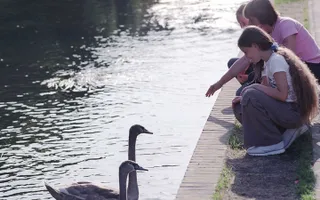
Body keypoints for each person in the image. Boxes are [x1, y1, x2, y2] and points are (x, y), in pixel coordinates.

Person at [206, 0, 320, 142]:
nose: (250, 25)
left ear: (262, 17)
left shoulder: (286, 25)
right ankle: (272, 124)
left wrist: (260, 87)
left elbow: (291, 59)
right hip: (285, 73)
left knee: (247, 94)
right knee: (244, 94)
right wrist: (219, 84)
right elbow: (244, 60)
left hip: (310, 68)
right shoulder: (268, 34)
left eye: (252, 20)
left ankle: (285, 125)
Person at [231, 26, 319, 156]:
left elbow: (282, 95)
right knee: (241, 103)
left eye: (246, 52)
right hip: (285, 110)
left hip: (293, 111)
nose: (247, 57)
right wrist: (245, 96)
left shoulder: (276, 60)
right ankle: (282, 132)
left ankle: (272, 144)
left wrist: (254, 88)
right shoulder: (267, 61)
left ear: (255, 46)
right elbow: (266, 88)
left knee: (250, 94)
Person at [228, 3, 257, 96]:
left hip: (263, 73)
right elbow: (249, 58)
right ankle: (248, 83)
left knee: (239, 94)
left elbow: (264, 65)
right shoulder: (250, 33)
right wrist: (242, 70)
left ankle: (251, 83)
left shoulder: (260, 33)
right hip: (256, 69)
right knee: (232, 62)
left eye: (243, 23)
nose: (242, 27)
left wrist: (249, 76)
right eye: (240, 24)